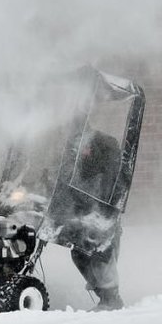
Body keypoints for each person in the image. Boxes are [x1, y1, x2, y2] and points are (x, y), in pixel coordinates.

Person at [57, 129, 125, 311]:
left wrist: (97, 211)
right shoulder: (83, 167)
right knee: (79, 253)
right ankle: (104, 296)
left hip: (102, 218)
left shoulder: (106, 170)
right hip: (85, 217)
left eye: (83, 148)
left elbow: (103, 195)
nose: (80, 152)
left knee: (100, 253)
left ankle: (111, 299)